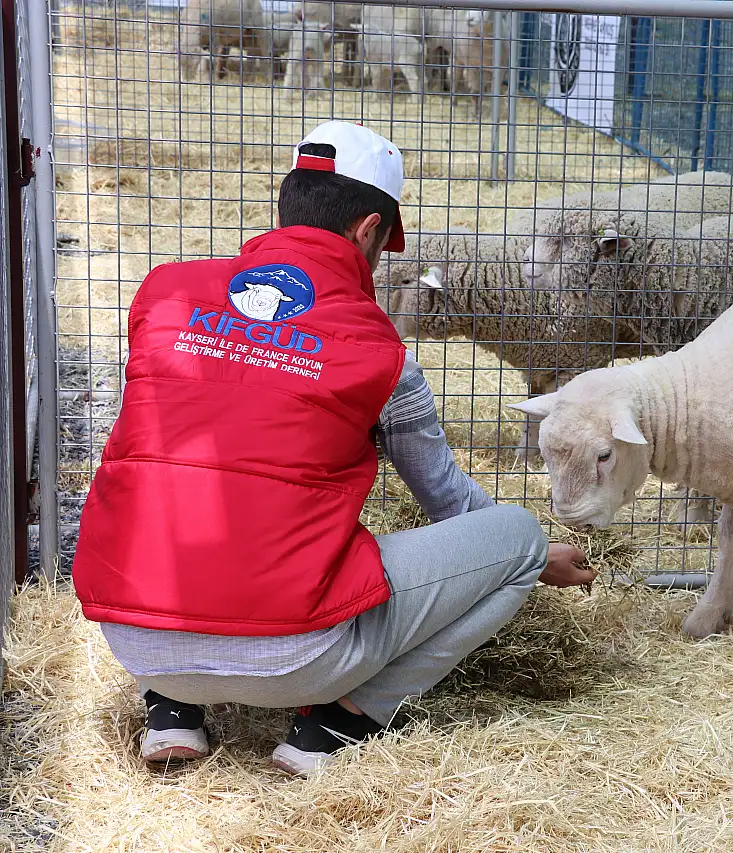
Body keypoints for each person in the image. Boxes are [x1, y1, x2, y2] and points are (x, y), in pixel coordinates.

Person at [70, 120, 596, 777]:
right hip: (294, 654)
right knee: (513, 536)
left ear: (285, 209)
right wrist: (537, 554)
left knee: (184, 482)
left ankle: (172, 709)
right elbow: (448, 502)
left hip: (132, 632)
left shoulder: (165, 295)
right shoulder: (379, 352)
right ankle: (336, 722)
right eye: (383, 247)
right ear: (367, 231)